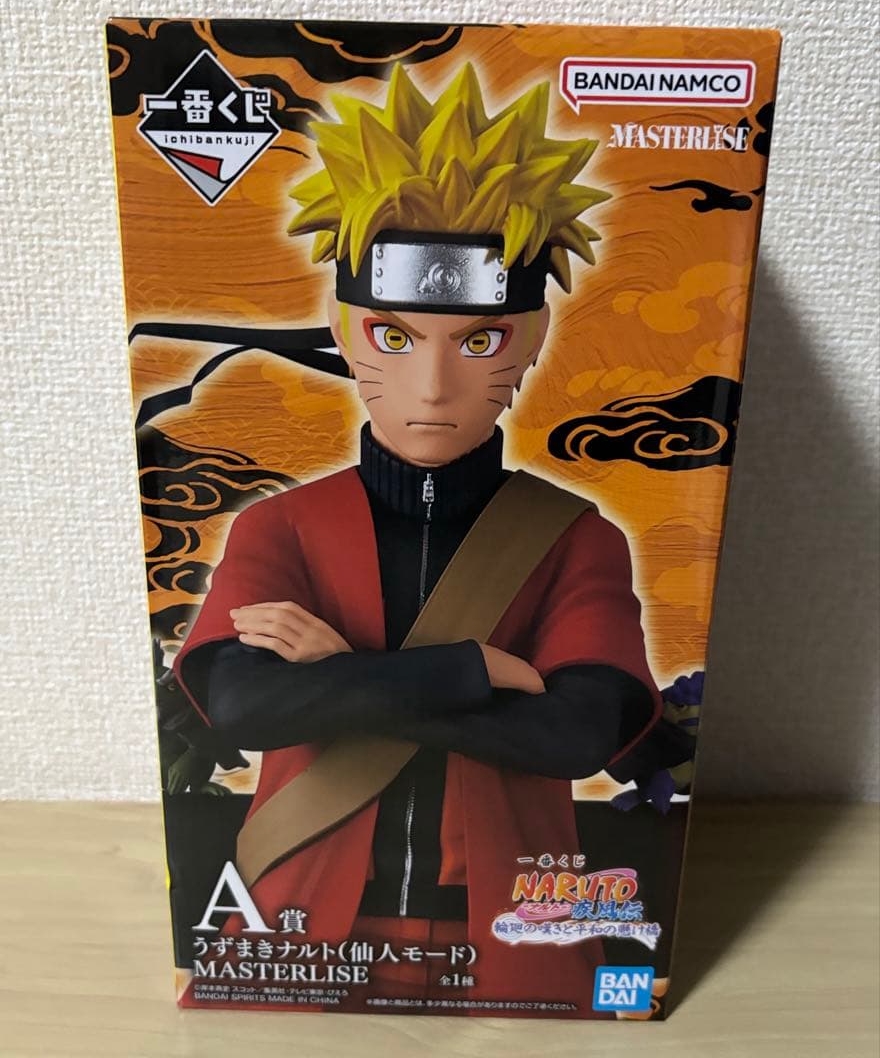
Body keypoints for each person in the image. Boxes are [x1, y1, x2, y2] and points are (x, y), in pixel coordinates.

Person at [173, 63, 662, 1015]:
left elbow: (575, 733)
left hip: (515, 945)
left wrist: (343, 674)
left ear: (532, 337)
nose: (434, 386)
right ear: (342, 329)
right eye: (394, 338)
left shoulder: (574, 538)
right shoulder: (280, 524)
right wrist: (473, 672)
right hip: (294, 930)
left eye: (479, 342)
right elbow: (240, 706)